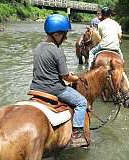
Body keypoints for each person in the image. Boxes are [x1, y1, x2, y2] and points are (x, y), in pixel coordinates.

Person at [30, 14, 87, 147]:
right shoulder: (57, 51)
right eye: (64, 34)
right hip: (54, 89)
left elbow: (45, 69)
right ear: (56, 35)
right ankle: (77, 134)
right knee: (82, 102)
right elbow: (66, 76)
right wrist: (77, 77)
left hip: (35, 88)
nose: (65, 38)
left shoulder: (38, 47)